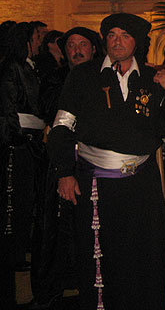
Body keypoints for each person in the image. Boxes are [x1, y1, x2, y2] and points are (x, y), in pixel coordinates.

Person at [48, 13, 165, 310]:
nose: (118, 42)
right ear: (105, 41)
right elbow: (61, 127)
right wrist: (64, 171)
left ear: (136, 42)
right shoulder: (83, 76)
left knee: (142, 256)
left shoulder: (151, 78)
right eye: (112, 35)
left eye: (124, 36)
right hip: (97, 185)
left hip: (142, 184)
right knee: (102, 259)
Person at [30, 27, 103, 309]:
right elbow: (49, 108)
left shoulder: (103, 77)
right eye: (71, 45)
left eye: (82, 44)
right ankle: (52, 289)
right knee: (54, 229)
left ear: (93, 48)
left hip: (94, 163)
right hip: (62, 163)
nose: (76, 50)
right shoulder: (56, 78)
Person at [0, 22, 47, 308]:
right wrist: (21, 139)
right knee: (11, 214)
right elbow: (9, 113)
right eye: (36, 37)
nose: (40, 42)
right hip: (16, 151)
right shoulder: (11, 69)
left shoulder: (27, 66)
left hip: (27, 147)